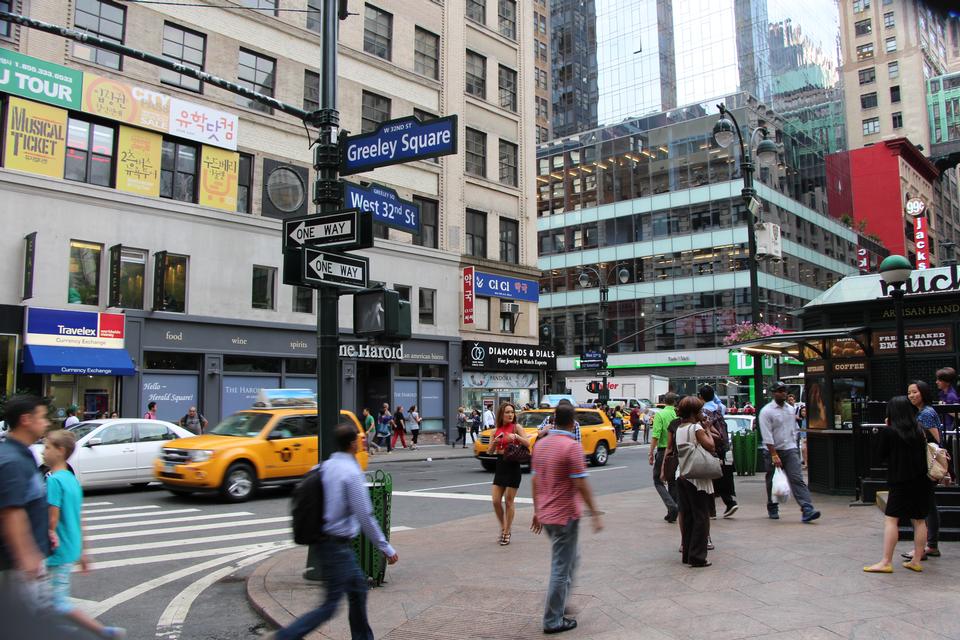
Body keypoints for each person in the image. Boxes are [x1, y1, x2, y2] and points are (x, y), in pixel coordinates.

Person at [268, 423, 398, 640]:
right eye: (359, 438)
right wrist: (385, 546)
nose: (362, 441)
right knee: (330, 605)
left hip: (324, 541)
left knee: (357, 589)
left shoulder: (325, 466)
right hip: (335, 545)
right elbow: (365, 515)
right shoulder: (351, 472)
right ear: (352, 443)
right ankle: (285, 636)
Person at [42, 430, 126, 638]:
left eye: (47, 447)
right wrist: (84, 552)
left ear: (60, 451)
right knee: (49, 600)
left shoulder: (53, 481)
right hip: (70, 547)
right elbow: (79, 519)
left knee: (57, 601)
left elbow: (51, 520)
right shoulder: (71, 479)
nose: (43, 452)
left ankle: (101, 631)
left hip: (55, 550)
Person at [530, 403, 602, 634]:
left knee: (571, 559)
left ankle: (560, 602)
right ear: (573, 423)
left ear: (553, 420)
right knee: (561, 567)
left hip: (547, 514)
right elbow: (581, 482)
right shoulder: (572, 447)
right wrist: (595, 514)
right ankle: (553, 619)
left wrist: (536, 510)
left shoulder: (541, 444)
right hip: (565, 515)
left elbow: (534, 480)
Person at [864, 397, 930, 574]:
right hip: (921, 480)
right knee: (919, 520)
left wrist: (885, 429)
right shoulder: (919, 430)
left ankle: (886, 561)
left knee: (892, 519)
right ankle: (916, 560)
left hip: (900, 480)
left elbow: (879, 455)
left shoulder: (890, 432)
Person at [0, 396, 52, 614]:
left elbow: (28, 502)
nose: (47, 422)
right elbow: (11, 512)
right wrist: (27, 556)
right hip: (17, 567)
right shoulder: (13, 460)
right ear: (26, 420)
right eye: (42, 417)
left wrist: (45, 530)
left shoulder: (21, 454)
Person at [663, 396, 715, 568]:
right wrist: (707, 430)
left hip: (682, 474)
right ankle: (698, 556)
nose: (702, 413)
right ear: (693, 413)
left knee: (688, 516)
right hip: (696, 476)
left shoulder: (680, 428)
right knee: (701, 516)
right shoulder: (696, 427)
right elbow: (711, 446)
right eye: (700, 411)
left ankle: (687, 554)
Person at [760, 381, 821, 523]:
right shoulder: (766, 411)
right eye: (779, 391)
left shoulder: (790, 409)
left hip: (790, 449)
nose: (783, 393)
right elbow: (767, 435)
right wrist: (774, 454)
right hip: (772, 451)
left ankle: (807, 508)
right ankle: (772, 505)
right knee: (772, 480)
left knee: (796, 478)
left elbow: (793, 429)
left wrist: (794, 445)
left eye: (784, 390)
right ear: (773, 393)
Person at [904, 380, 944, 561]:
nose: (912, 395)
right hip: (922, 465)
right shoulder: (921, 412)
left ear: (923, 393)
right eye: (909, 392)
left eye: (915, 392)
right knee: (929, 504)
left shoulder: (926, 413)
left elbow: (934, 441)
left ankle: (927, 545)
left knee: (925, 506)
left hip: (924, 466)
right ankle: (930, 545)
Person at [487, 402, 530, 546]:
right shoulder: (495, 430)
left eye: (512, 412)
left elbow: (528, 443)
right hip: (500, 466)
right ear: (501, 414)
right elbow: (490, 451)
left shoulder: (516, 427)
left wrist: (516, 437)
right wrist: (495, 442)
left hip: (513, 466)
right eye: (507, 412)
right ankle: (503, 526)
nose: (510, 414)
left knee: (509, 501)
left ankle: (507, 531)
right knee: (495, 501)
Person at [700, 385, 738, 519]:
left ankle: (722, 504)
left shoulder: (703, 411)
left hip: (711, 445)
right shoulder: (720, 408)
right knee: (718, 472)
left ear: (701, 397)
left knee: (713, 475)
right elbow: (719, 403)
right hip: (722, 446)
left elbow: (705, 429)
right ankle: (726, 502)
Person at [649, 392, 678, 523]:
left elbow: (656, 435)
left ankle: (672, 506)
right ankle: (672, 511)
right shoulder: (677, 414)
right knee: (672, 480)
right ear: (675, 402)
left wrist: (650, 453)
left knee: (657, 480)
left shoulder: (660, 414)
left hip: (663, 450)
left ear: (664, 401)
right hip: (677, 452)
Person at [934, 368, 958, 435]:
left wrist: (944, 408)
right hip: (945, 427)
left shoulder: (951, 396)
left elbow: (957, 414)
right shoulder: (942, 394)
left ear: (947, 382)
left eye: (939, 380)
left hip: (950, 430)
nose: (936, 382)